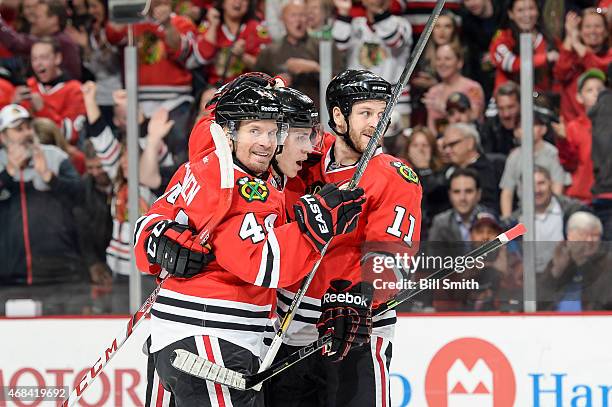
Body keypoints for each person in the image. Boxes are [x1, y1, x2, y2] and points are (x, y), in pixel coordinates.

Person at [134, 81, 366, 406]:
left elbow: (152, 219)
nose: (268, 143)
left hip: (175, 338)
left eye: (274, 132)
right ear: (229, 132)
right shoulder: (241, 186)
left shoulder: (210, 161)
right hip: (211, 337)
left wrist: (155, 238)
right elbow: (264, 264)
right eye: (256, 131)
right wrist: (315, 227)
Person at [267, 69, 423, 407]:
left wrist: (360, 295)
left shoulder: (394, 177)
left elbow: (390, 258)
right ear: (338, 116)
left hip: (353, 329)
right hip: (288, 332)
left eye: (383, 113)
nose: (376, 123)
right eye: (366, 113)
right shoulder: (303, 159)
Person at [0, 104, 87, 314]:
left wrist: (49, 177)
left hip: (60, 273)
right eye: (18, 129)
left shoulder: (54, 156)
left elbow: (82, 196)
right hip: (8, 278)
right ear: (3, 137)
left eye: (28, 126)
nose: (27, 133)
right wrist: (9, 174)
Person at [332, 0, 413, 122]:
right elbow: (339, 45)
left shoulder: (402, 24)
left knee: (397, 141)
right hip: (359, 99)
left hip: (394, 102)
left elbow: (394, 40)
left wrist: (380, 12)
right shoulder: (355, 24)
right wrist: (343, 12)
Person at [254, 0, 342, 107]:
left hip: (317, 114)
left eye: (302, 15)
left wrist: (316, 68)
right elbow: (255, 87)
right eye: (293, 15)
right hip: (281, 116)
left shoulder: (324, 46)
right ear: (282, 19)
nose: (298, 21)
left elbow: (341, 82)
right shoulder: (270, 51)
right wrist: (273, 83)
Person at [499, 101, 568, 219]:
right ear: (515, 132)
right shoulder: (514, 157)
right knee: (508, 236)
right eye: (521, 126)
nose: (527, 129)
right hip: (523, 214)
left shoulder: (553, 153)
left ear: (543, 129)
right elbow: (507, 191)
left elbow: (558, 186)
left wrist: (554, 213)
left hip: (551, 213)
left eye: (533, 124)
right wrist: (507, 219)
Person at [17, 38, 86, 145]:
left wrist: (42, 109)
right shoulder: (29, 86)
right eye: (34, 59)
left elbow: (70, 135)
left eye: (43, 58)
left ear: (57, 58)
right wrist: (13, 104)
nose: (38, 63)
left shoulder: (75, 89)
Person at [539, 211, 612, 311]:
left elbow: (604, 300)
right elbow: (539, 300)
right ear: (569, 236)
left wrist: (581, 261)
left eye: (595, 235)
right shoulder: (562, 257)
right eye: (583, 234)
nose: (589, 240)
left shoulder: (607, 262)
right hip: (554, 320)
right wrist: (556, 271)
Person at [191, 0, 271, 87]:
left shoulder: (257, 29)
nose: (238, 2)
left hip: (247, 88)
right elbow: (203, 57)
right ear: (223, 3)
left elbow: (265, 69)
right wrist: (213, 25)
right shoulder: (209, 24)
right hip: (215, 88)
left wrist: (242, 56)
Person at [554, 7, 612, 122]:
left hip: (604, 125)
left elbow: (600, 68)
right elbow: (560, 73)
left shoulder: (609, 56)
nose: (593, 31)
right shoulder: (571, 54)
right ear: (580, 31)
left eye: (598, 26)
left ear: (606, 32)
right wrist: (570, 36)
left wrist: (576, 42)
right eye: (587, 26)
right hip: (573, 127)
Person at [556, 68, 605, 203]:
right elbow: (569, 165)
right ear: (579, 97)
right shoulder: (574, 127)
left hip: (607, 197)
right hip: (582, 198)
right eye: (589, 90)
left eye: (600, 90)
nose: (596, 94)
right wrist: (563, 140)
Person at [0, 0, 82, 80]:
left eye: (37, 17)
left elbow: (16, 43)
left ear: (53, 19)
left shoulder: (61, 41)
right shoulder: (48, 38)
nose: (33, 20)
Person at [489, 0, 558, 93]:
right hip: (507, 101)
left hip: (539, 97)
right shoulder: (502, 39)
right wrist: (545, 58)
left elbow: (559, 72)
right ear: (511, 14)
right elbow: (511, 64)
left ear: (538, 11)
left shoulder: (549, 40)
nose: (527, 14)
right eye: (520, 10)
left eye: (531, 8)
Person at [423, 44, 485, 134]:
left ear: (459, 62)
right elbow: (432, 127)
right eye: (438, 59)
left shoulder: (472, 88)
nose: (442, 63)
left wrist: (444, 108)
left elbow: (474, 116)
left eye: (447, 59)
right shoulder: (433, 92)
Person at [441, 123, 501, 211]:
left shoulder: (494, 167)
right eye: (445, 146)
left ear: (470, 143)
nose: (447, 150)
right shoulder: (445, 172)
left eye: (452, 144)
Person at [401, 126, 448, 235]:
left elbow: (437, 197)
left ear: (432, 150)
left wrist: (424, 169)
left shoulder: (443, 173)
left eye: (425, 145)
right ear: (408, 150)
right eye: (415, 145)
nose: (420, 150)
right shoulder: (399, 174)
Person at [429, 168, 489, 244]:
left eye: (468, 191)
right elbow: (432, 254)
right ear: (450, 195)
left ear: (478, 194)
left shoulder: (490, 218)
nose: (462, 198)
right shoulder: (440, 223)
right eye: (456, 192)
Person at [480, 81, 521, 156]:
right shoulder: (490, 127)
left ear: (521, 105)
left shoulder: (536, 124)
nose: (506, 114)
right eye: (501, 108)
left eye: (510, 107)